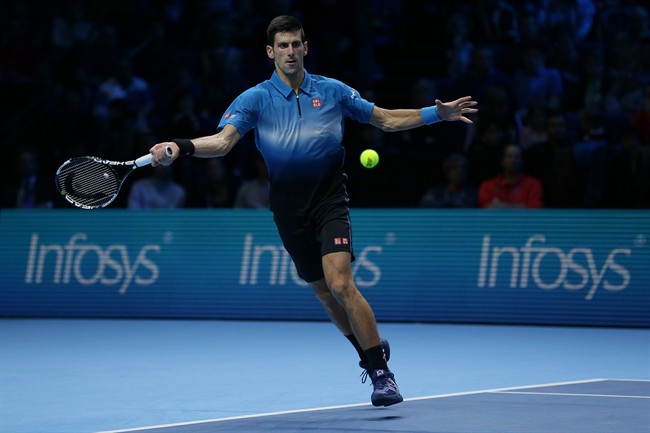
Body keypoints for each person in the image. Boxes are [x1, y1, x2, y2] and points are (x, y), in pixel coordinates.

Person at [149, 15, 477, 407]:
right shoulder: (254, 99)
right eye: (282, 46)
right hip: (287, 210)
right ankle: (369, 351)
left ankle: (382, 375)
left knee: (340, 283)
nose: (290, 52)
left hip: (328, 201)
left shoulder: (333, 91)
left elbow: (385, 119)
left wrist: (435, 115)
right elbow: (222, 143)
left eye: (296, 44)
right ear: (270, 52)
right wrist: (179, 147)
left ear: (306, 48)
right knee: (323, 293)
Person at [478, 143, 543, 209]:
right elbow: (485, 208)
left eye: (517, 157)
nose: (513, 160)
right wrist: (522, 206)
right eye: (509, 156)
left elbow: (534, 208)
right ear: (502, 161)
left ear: (522, 161)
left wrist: (501, 206)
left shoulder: (533, 185)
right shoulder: (487, 186)